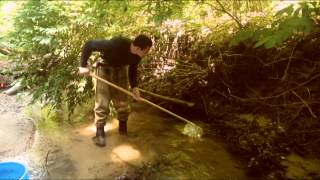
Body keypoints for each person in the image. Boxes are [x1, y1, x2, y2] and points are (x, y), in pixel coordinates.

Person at [78, 35, 152, 147]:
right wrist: (82, 66)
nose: (147, 53)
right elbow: (89, 44)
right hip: (104, 68)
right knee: (102, 102)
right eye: (146, 51)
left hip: (121, 70)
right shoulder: (115, 44)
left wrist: (134, 88)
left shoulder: (137, 56)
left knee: (123, 103)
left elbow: (133, 69)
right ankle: (100, 134)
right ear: (138, 48)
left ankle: (123, 132)